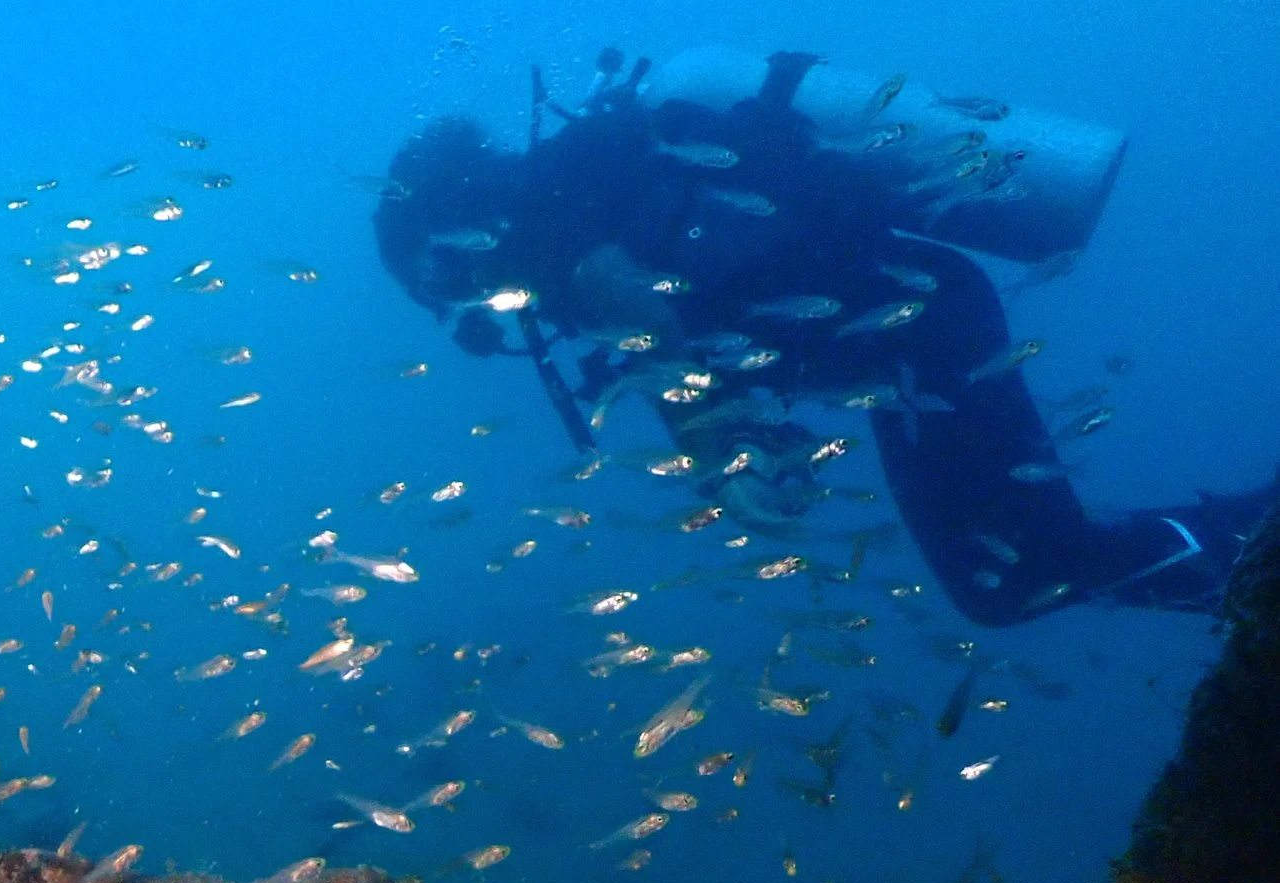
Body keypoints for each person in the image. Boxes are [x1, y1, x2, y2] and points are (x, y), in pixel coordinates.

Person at [374, 48, 1272, 625]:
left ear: (456, 236)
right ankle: (1249, 542)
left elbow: (650, 324)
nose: (476, 313)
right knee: (1018, 564)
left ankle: (1253, 559)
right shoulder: (581, 190)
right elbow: (680, 339)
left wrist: (727, 456)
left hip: (919, 333)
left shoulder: (557, 230)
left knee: (1019, 573)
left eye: (446, 286)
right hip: (913, 335)